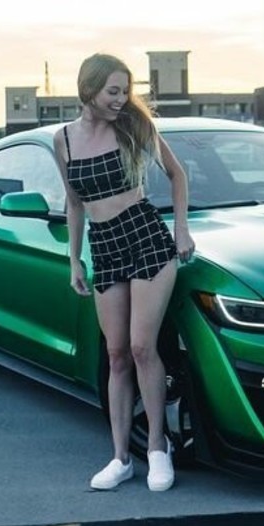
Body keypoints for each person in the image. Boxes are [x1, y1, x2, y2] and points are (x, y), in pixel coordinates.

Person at [55, 53, 193, 492]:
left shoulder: (134, 126)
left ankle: (157, 448)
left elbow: (177, 175)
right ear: (88, 89)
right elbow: (74, 203)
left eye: (125, 91)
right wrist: (74, 259)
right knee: (115, 354)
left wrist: (181, 230)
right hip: (104, 246)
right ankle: (120, 458)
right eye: (112, 91)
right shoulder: (63, 140)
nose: (120, 99)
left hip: (145, 236)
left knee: (140, 347)